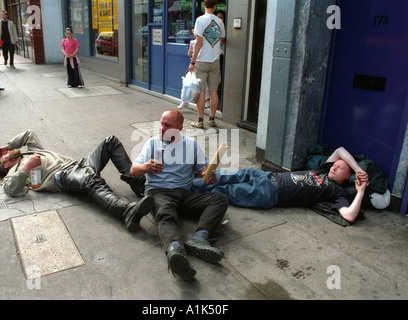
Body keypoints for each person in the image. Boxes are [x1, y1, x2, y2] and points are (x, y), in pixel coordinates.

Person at [0, 130, 153, 233]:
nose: (3, 153)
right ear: (6, 164)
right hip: (63, 176)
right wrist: (27, 168)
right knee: (89, 178)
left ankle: (138, 184)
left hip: (79, 164)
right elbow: (11, 188)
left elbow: (28, 134)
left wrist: (8, 146)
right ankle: (125, 212)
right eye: (3, 156)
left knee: (110, 141)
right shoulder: (14, 172)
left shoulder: (32, 152)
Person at [130, 110, 229, 281]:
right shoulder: (152, 143)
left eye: (167, 125)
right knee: (165, 213)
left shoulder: (191, 144)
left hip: (184, 193)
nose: (162, 128)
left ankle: (199, 238)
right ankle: (175, 250)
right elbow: (133, 170)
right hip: (158, 191)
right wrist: (145, 167)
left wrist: (208, 174)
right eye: (161, 123)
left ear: (179, 128)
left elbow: (202, 168)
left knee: (220, 200)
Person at [192, 147, 370, 223]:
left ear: (347, 176)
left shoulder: (337, 192)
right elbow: (340, 150)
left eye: (340, 168)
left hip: (269, 193)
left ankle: (183, 190)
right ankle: (186, 181)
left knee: (224, 190)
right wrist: (357, 168)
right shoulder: (324, 170)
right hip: (268, 176)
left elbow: (349, 216)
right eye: (336, 164)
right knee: (222, 176)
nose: (336, 166)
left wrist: (360, 191)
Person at [189, 0, 225, 129]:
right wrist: (215, 49)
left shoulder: (200, 20)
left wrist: (193, 62)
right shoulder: (220, 21)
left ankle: (199, 120)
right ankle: (212, 119)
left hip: (202, 61)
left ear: (204, 5)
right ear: (215, 6)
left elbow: (198, 43)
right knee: (214, 91)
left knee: (201, 91)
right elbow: (222, 38)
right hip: (215, 61)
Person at [178, 27, 210, 110]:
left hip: (200, 63)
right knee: (188, 82)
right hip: (194, 64)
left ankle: (205, 101)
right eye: (193, 32)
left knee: (202, 83)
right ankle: (185, 100)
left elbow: (190, 54)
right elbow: (189, 54)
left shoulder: (200, 42)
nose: (194, 34)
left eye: (194, 32)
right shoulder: (194, 42)